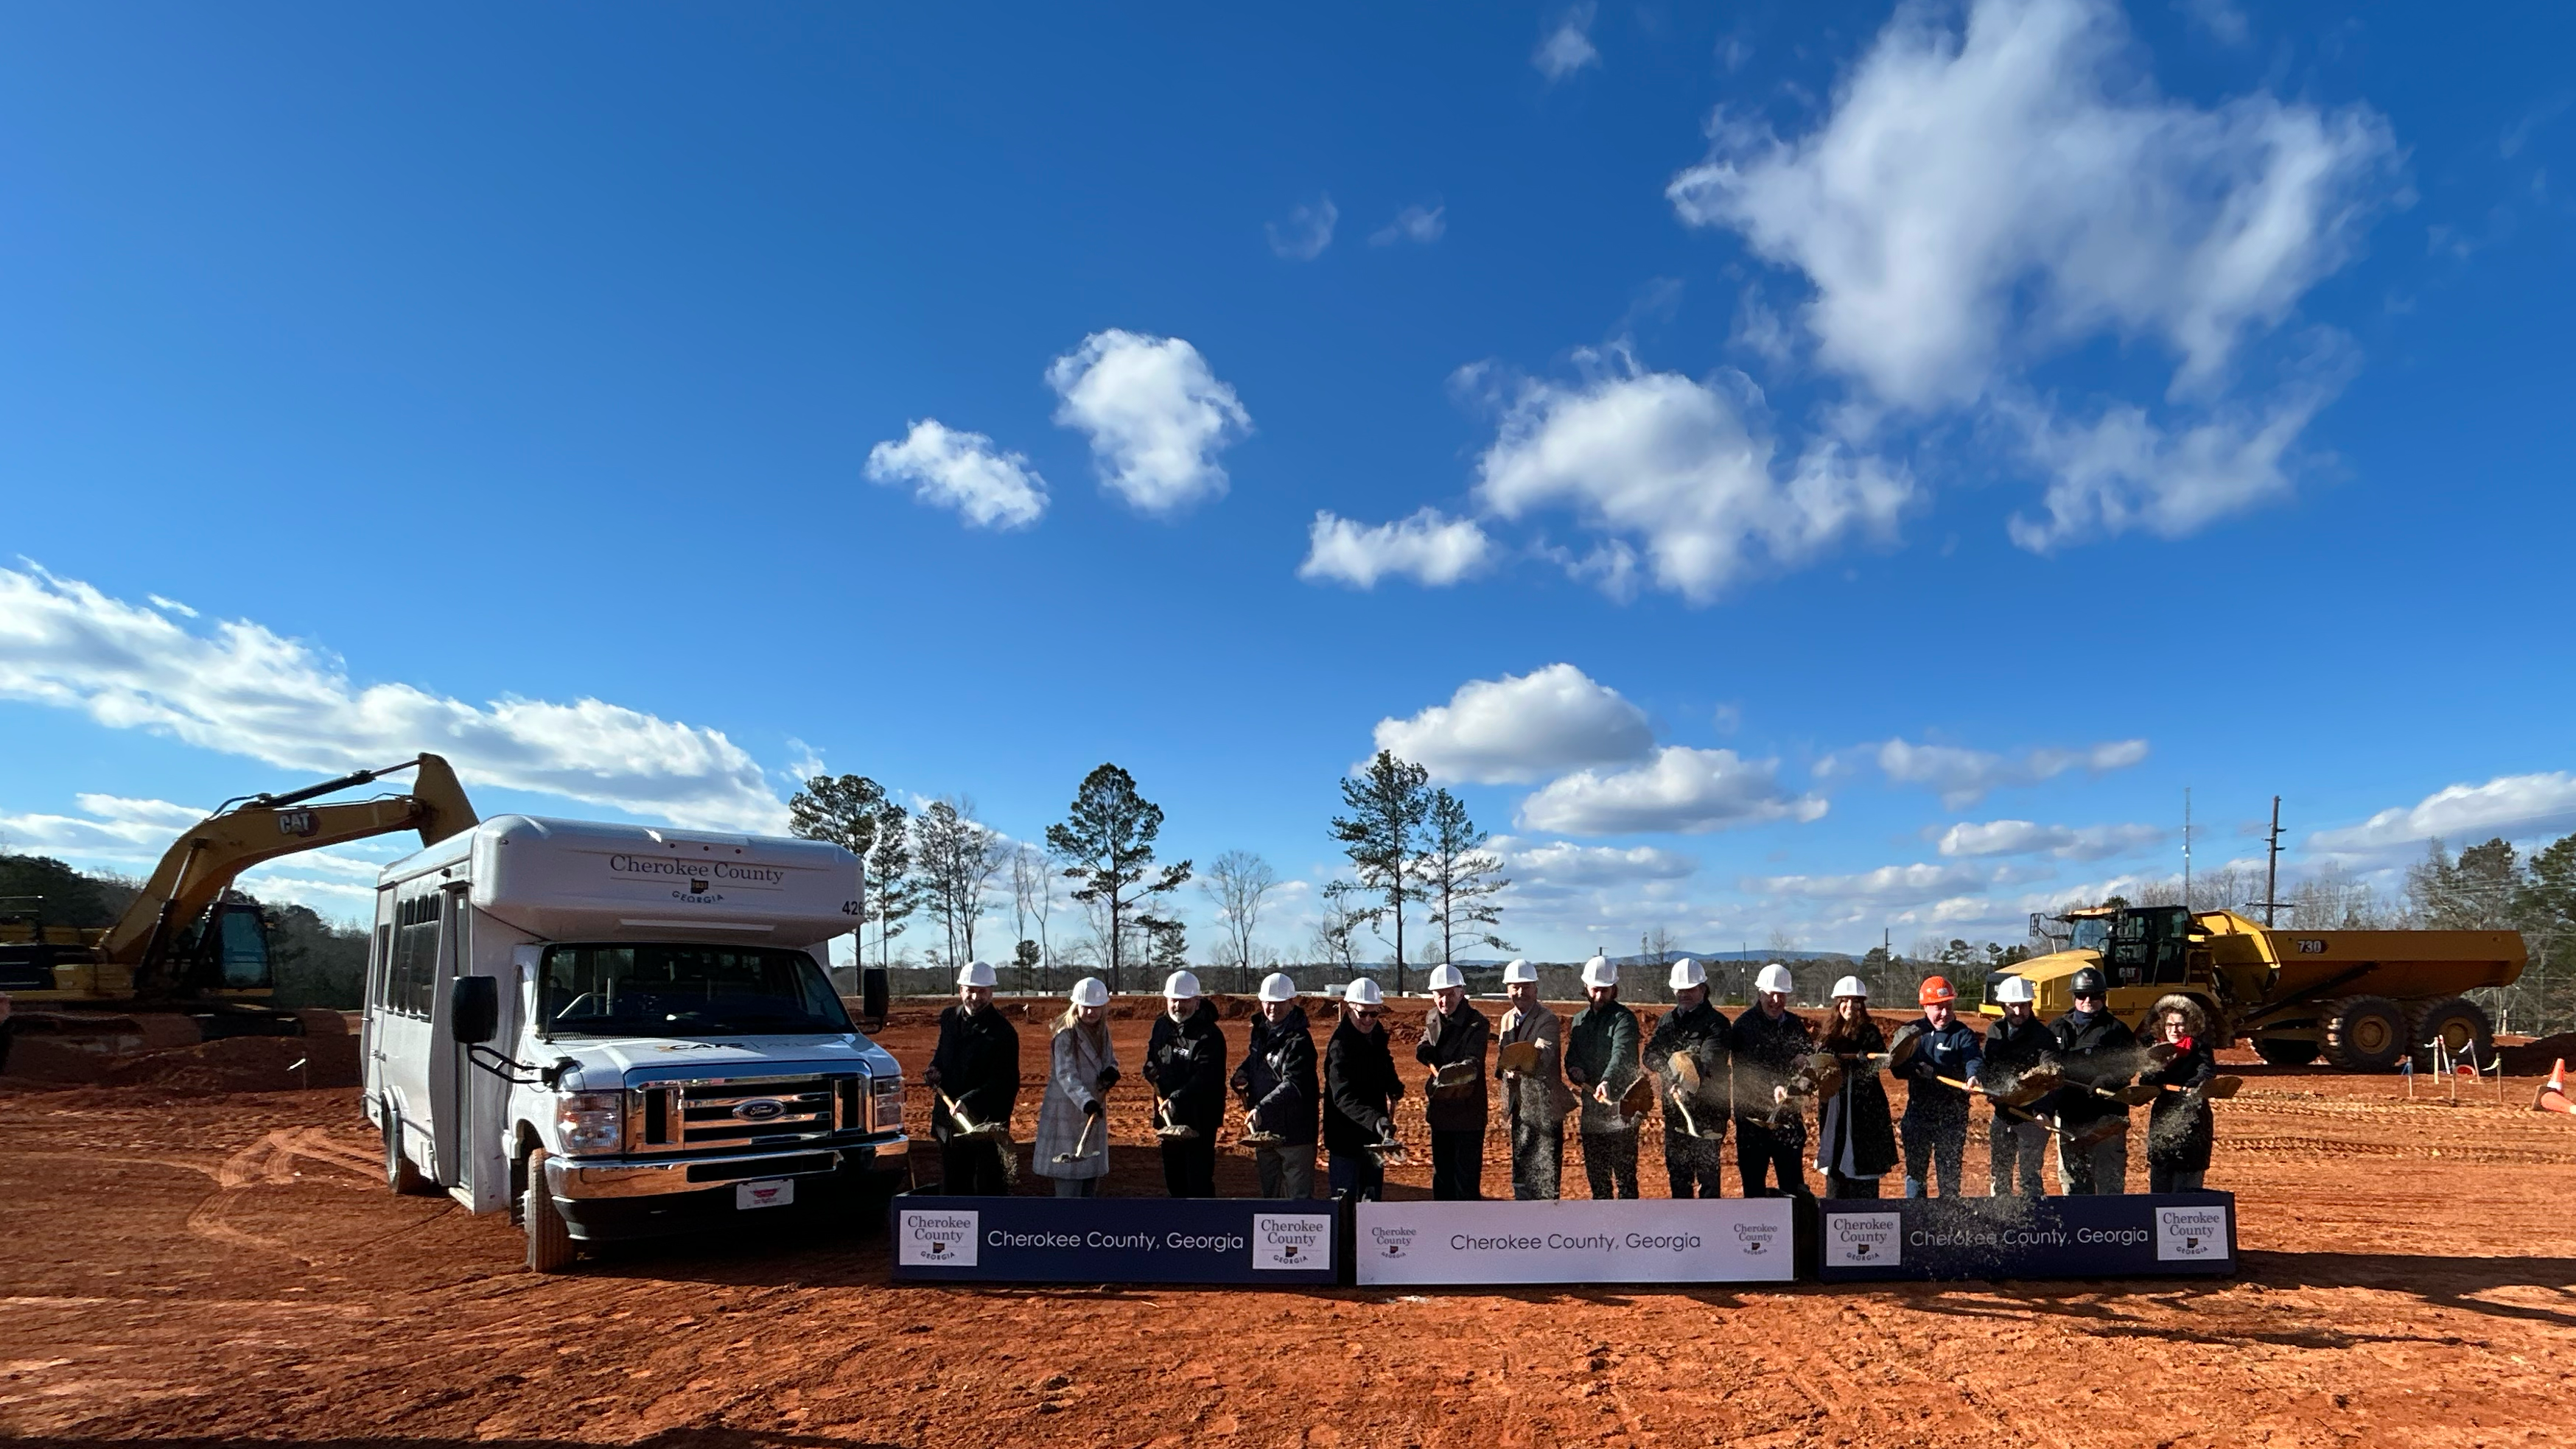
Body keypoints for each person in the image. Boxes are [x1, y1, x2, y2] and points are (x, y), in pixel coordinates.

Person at [925, 960, 1019, 1196]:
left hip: (984, 1123)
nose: (976, 997)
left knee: (990, 1186)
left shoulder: (1003, 1033)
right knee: (955, 1184)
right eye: (971, 990)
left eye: (982, 992)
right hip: (950, 1120)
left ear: (991, 993)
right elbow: (942, 1055)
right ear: (961, 990)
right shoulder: (949, 1019)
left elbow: (1005, 1082)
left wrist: (969, 1101)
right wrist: (935, 1069)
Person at [1642, 958, 1730, 1198]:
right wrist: (1670, 1075)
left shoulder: (1717, 1024)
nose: (1684, 994)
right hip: (1677, 1113)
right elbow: (1650, 1055)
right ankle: (1683, 1233)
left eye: (1690, 989)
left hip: (1709, 1113)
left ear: (1703, 989)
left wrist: (1685, 1084)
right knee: (1679, 1177)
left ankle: (1708, 1229)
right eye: (1680, 990)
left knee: (1707, 1180)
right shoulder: (1667, 1022)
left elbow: (1711, 1060)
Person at [1891, 975, 1983, 1198]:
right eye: (1938, 1008)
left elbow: (1974, 1059)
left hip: (1952, 1117)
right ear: (1925, 1006)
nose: (1944, 1013)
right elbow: (1896, 1069)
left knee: (1949, 1177)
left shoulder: (1963, 1034)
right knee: (1916, 1174)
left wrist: (1973, 1076)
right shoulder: (1913, 1032)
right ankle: (1916, 1220)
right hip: (1919, 1114)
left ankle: (1946, 1227)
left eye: (1948, 1007)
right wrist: (1914, 1068)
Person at [2049, 965, 2138, 1195]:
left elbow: (2130, 1066)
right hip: (2070, 1117)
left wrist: (2107, 1080)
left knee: (2109, 1183)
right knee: (2073, 1182)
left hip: (2107, 1119)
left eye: (2096, 995)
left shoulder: (2118, 1030)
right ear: (2074, 996)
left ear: (2104, 996)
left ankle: (2112, 1228)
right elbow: (2044, 1057)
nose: (2088, 1000)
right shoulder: (2057, 1028)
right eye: (2081, 995)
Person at [1729, 963, 1814, 1198]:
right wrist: (1774, 1085)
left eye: (1781, 994)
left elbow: (1811, 1072)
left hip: (1787, 1121)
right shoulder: (1744, 1026)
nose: (1776, 1000)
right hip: (1752, 1122)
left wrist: (1804, 1070)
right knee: (1754, 1189)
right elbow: (1745, 1072)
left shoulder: (1795, 1026)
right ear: (1761, 993)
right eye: (1771, 994)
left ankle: (1794, 1232)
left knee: (1792, 1188)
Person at [1231, 971, 1318, 1199]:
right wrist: (1244, 1071)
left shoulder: (1300, 1041)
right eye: (1268, 1003)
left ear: (1291, 1003)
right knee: (1270, 1197)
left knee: (1297, 1199)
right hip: (1266, 1131)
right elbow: (1258, 1059)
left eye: (1279, 1003)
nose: (1273, 1008)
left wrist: (1261, 1108)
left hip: (1295, 1135)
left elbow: (1293, 1083)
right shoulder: (1261, 1032)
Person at [1563, 955, 1642, 1199]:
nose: (1599, 996)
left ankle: (1630, 1231)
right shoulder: (1579, 1020)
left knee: (1625, 1176)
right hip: (1592, 1110)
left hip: (1621, 1108)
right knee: (1597, 1177)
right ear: (1586, 987)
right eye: (1595, 989)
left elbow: (1622, 1055)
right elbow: (1571, 1056)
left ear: (1614, 989)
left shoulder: (1624, 1019)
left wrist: (1606, 1081)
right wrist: (1575, 1071)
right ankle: (1603, 1231)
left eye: (1605, 991)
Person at [1814, 976, 1900, 1198]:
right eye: (1845, 1001)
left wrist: (1865, 1059)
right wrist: (1828, 1057)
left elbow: (1881, 1060)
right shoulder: (1829, 1032)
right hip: (1836, 1106)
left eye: (1855, 1001)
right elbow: (1819, 1062)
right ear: (1837, 1003)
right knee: (1836, 1166)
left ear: (1862, 1004)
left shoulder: (1870, 1031)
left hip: (1865, 1110)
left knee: (1865, 1168)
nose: (1850, 1006)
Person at [1144, 969, 1226, 1198]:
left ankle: (1203, 1229)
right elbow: (1154, 1055)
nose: (1179, 1006)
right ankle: (1180, 1231)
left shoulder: (1209, 1035)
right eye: (1174, 1000)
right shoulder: (1161, 1026)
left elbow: (1205, 1078)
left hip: (1199, 1119)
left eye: (1185, 1000)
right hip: (1168, 1119)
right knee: (1175, 1181)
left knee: (1198, 1182)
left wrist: (1177, 1098)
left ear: (1197, 1002)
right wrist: (1149, 1068)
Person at [1034, 976, 1119, 1198]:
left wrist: (1111, 1071)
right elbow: (1065, 1074)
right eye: (1086, 1007)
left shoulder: (1103, 1032)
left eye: (1096, 1008)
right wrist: (1087, 1102)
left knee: (1090, 1178)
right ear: (1076, 1005)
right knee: (1068, 1182)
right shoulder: (1065, 1035)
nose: (1091, 1012)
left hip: (1093, 1110)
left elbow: (1110, 1060)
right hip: (1067, 1112)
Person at [1494, 958, 1569, 1200]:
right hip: (1520, 1105)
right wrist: (1505, 1070)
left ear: (1536, 988)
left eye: (1526, 986)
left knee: (1545, 1171)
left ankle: (1548, 1228)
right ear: (1507, 989)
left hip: (1544, 1107)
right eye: (1515, 987)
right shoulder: (1506, 1019)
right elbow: (1502, 1058)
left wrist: (1519, 1064)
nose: (1520, 992)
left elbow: (1543, 1054)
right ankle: (1524, 1224)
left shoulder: (1547, 1020)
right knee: (1522, 1167)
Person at [1415, 963, 1491, 1200]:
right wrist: (1424, 1051)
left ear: (1461, 992)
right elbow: (1424, 1041)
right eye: (1439, 995)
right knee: (1442, 1180)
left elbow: (1471, 1064)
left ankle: (1467, 1234)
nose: (1445, 1001)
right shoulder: (1432, 1017)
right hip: (1441, 1111)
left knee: (1466, 1183)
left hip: (1468, 1114)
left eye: (1450, 995)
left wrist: (1445, 1072)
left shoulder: (1477, 1023)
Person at [1324, 978, 1403, 1201]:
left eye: (1374, 1014)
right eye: (1363, 1013)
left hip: (1373, 1140)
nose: (1368, 1020)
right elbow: (1343, 1097)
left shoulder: (1375, 1035)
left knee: (1371, 1204)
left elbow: (1383, 1062)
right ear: (1349, 1010)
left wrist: (1392, 1083)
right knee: (1345, 1207)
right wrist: (1376, 1120)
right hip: (1345, 1141)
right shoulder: (1339, 1047)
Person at [1978, 974, 2051, 1196]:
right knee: (2000, 1175)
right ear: (2003, 1006)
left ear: (2030, 1005)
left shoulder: (2044, 1037)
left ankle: (2035, 1227)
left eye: (2023, 1006)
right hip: (2003, 1116)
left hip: (2032, 1118)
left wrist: (2045, 1110)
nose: (2018, 1012)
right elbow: (1987, 1066)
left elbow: (2052, 1077)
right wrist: (1986, 1085)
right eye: (2013, 1006)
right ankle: (2002, 1222)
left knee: (2030, 1177)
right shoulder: (1995, 1032)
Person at [2141, 994, 2218, 1193]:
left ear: (2190, 1026)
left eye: (2180, 1025)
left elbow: (2207, 1071)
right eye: (2169, 1025)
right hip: (2163, 1115)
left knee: (2187, 1182)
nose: (2174, 1030)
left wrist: (2191, 1087)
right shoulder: (2156, 1050)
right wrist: (2159, 1066)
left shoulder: (2199, 1048)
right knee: (2160, 1177)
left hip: (2193, 1116)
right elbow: (2146, 1081)